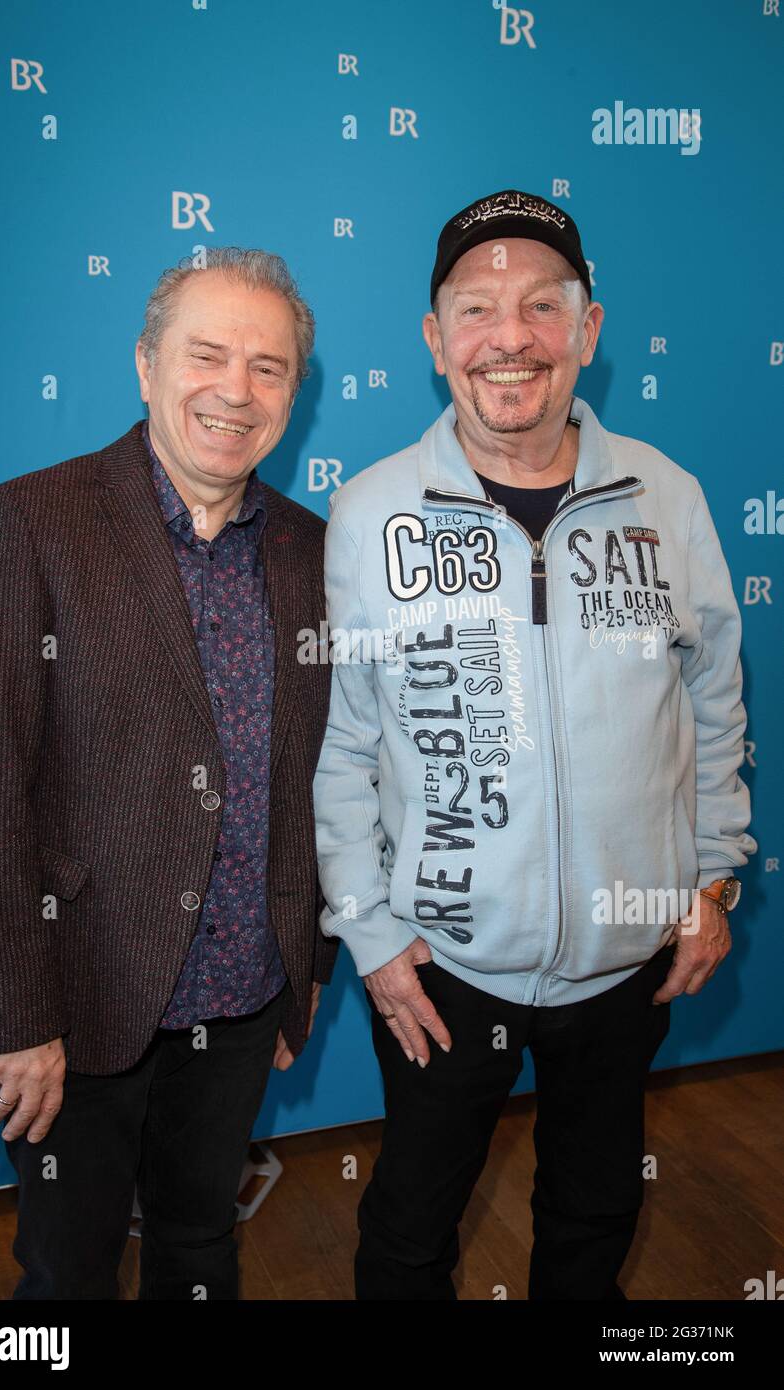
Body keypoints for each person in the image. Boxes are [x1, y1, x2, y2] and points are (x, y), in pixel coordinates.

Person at [313, 189, 756, 1300]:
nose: (508, 338)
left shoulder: (667, 497)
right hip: (444, 965)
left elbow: (710, 703)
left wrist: (712, 875)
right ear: (432, 340)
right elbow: (343, 744)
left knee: (594, 1209)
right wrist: (366, 933)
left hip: (623, 958)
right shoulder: (368, 514)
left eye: (539, 308)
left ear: (588, 330)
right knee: (408, 1229)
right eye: (475, 310)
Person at [0, 247, 337, 1300]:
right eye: (206, 355)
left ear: (294, 391)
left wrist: (305, 968)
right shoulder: (31, 523)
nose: (234, 391)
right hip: (77, 997)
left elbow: (329, 781)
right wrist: (16, 1017)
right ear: (145, 364)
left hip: (241, 995)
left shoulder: (310, 551)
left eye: (269, 366)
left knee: (200, 1241)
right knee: (66, 1271)